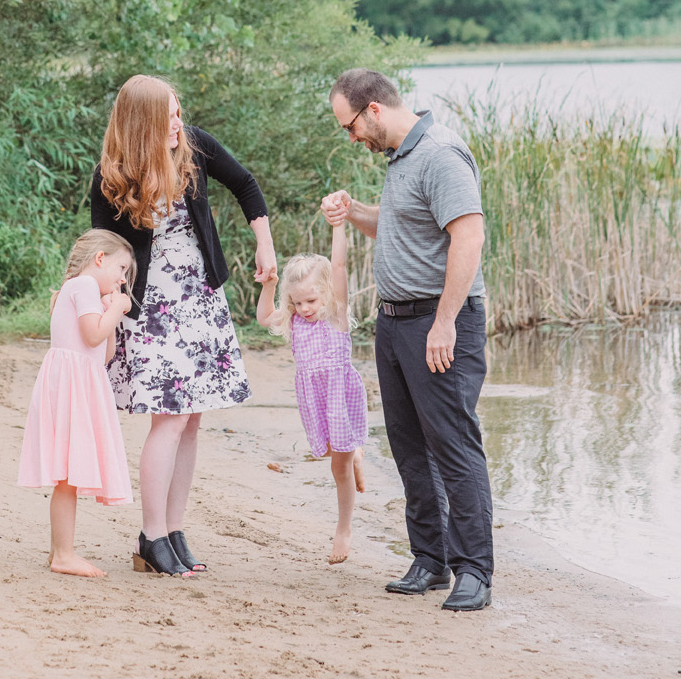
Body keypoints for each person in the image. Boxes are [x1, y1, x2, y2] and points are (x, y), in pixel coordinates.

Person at [320, 68, 493, 612]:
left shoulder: (441, 153)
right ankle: (430, 559)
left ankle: (474, 571)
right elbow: (399, 228)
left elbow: (468, 236)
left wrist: (444, 322)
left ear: (373, 110)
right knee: (409, 445)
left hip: (438, 323)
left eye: (350, 126)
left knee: (453, 444)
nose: (351, 139)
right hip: (394, 324)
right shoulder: (401, 158)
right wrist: (355, 213)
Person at [91, 73, 277, 577]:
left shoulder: (192, 147)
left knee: (192, 420)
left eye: (178, 111)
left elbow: (246, 183)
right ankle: (151, 537)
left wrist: (265, 243)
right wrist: (105, 316)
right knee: (169, 420)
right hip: (151, 308)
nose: (179, 122)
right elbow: (100, 253)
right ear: (142, 123)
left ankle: (174, 530)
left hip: (200, 300)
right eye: (169, 115)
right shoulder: (111, 175)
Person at [17, 229, 136, 578]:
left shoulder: (84, 293)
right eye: (121, 269)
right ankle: (64, 555)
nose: (122, 279)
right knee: (67, 474)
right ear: (100, 259)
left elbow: (106, 351)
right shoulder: (83, 286)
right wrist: (116, 307)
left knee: (67, 474)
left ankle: (59, 550)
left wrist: (110, 311)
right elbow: (92, 335)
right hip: (72, 385)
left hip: (80, 382)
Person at [256, 220, 368, 564]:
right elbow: (263, 319)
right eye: (298, 302)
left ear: (327, 294)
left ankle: (343, 529)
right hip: (314, 399)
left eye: (310, 300)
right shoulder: (293, 320)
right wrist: (270, 285)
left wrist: (338, 226)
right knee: (332, 455)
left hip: (340, 394)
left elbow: (338, 266)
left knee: (339, 469)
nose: (305, 308)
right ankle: (355, 453)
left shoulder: (335, 314)